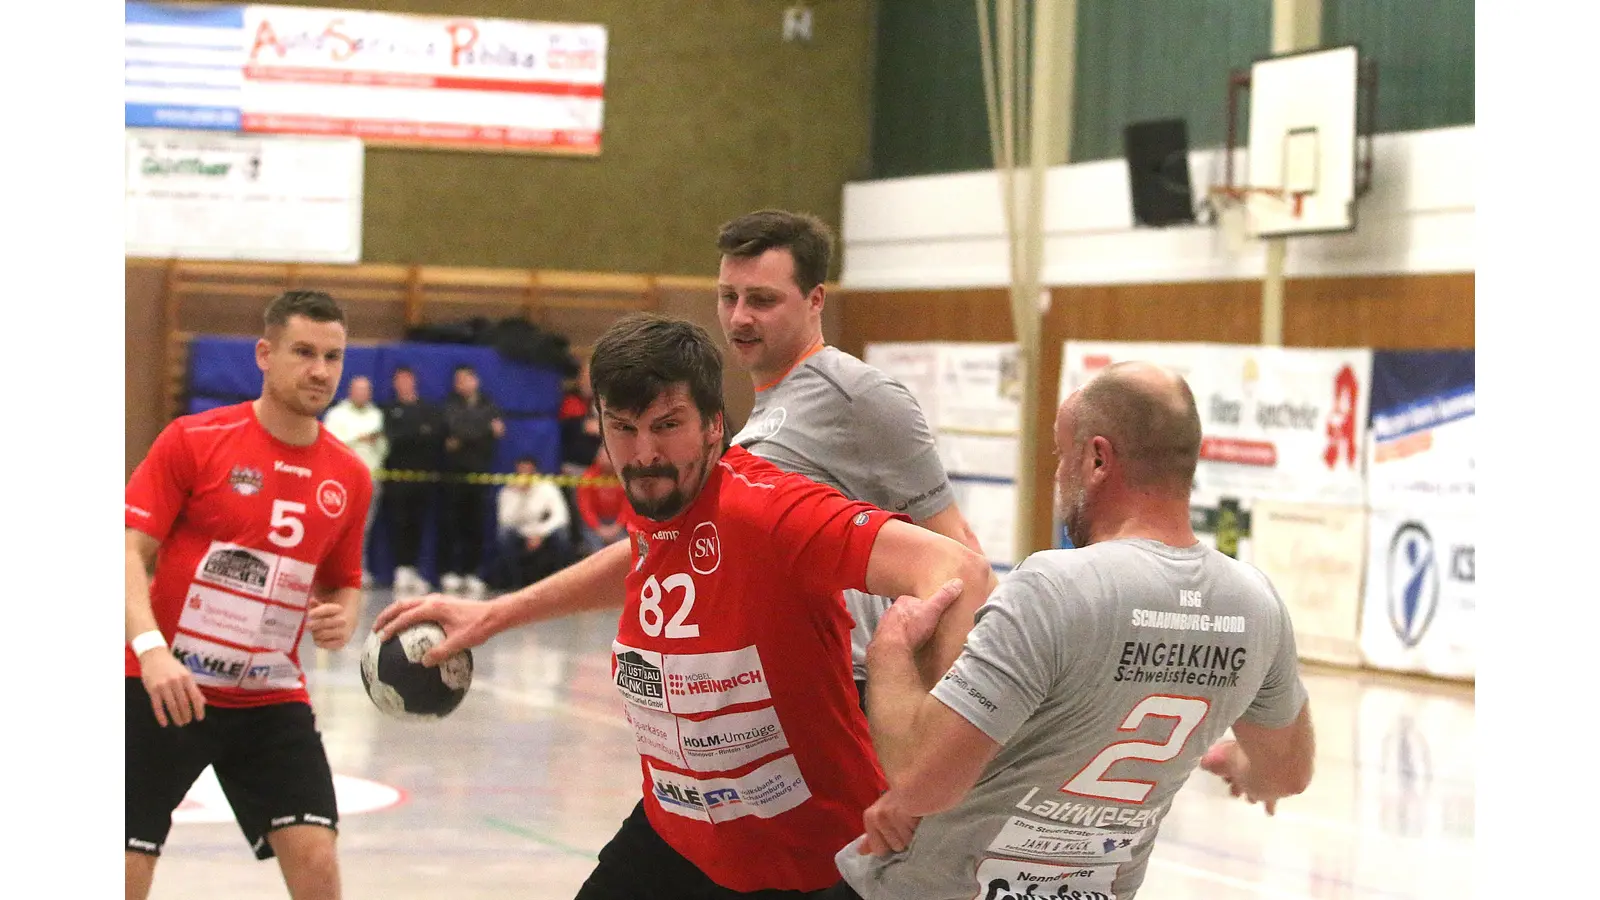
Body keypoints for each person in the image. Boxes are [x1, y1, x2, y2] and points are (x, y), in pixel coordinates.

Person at [373, 314, 996, 898]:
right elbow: (638, 559)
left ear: (714, 425)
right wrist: (492, 616)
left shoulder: (769, 510)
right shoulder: (662, 508)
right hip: (678, 836)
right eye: (624, 428)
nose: (644, 454)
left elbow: (957, 570)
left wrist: (922, 778)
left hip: (811, 865)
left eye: (667, 425)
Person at [827, 362, 1316, 900]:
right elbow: (1287, 775)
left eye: (1063, 456)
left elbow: (920, 778)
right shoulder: (1257, 604)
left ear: (1098, 459)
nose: (1060, 477)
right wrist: (1240, 762)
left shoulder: (1054, 588)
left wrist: (890, 650)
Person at [125, 289, 372, 900]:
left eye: (333, 357)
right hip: (164, 688)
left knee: (317, 865)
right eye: (304, 352)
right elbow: (125, 551)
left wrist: (342, 617)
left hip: (268, 698)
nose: (320, 370)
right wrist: (151, 651)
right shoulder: (194, 439)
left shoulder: (349, 475)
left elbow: (345, 580)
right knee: (122, 872)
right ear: (265, 353)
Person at [716, 209, 986, 708]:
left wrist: (934, 714)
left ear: (815, 299)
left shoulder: (858, 395)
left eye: (762, 300)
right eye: (729, 297)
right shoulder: (771, 401)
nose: (739, 317)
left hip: (845, 687)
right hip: (774, 680)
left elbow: (958, 553)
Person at [438, 364, 505, 599]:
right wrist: (485, 429)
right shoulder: (450, 403)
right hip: (455, 474)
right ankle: (451, 571)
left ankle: (473, 572)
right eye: (458, 380)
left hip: (480, 473)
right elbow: (455, 428)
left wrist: (467, 435)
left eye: (465, 379)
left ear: (475, 380)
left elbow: (491, 433)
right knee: (451, 524)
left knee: (475, 525)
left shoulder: (489, 404)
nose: (461, 384)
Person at [381, 366, 443, 595]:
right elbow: (394, 438)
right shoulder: (389, 409)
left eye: (407, 380)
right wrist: (417, 433)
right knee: (399, 522)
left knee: (417, 523)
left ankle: (414, 569)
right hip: (397, 478)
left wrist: (413, 434)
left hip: (423, 478)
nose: (403, 384)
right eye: (399, 381)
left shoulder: (427, 408)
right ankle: (400, 569)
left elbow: (433, 435)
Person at [322, 374, 386, 585]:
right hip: (341, 480)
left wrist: (374, 443)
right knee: (336, 526)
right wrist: (360, 439)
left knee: (364, 527)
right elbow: (331, 443)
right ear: (350, 391)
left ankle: (356, 570)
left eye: (366, 389)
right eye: (358, 389)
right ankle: (328, 570)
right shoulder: (337, 414)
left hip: (370, 479)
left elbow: (382, 447)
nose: (362, 393)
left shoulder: (377, 415)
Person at [491, 455, 574, 588]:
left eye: (528, 471)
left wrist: (539, 534)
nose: (525, 475)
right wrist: (520, 497)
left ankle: (561, 584)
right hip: (521, 534)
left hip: (544, 532)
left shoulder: (548, 488)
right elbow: (505, 521)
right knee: (504, 535)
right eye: (521, 471)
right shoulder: (507, 491)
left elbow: (561, 517)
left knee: (562, 535)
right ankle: (516, 584)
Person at [575, 450, 627, 556]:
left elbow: (629, 507)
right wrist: (599, 529)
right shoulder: (588, 477)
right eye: (605, 457)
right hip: (594, 524)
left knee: (624, 551)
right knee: (597, 553)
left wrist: (617, 527)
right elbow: (585, 508)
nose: (608, 462)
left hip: (619, 524)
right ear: (598, 459)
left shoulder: (625, 478)